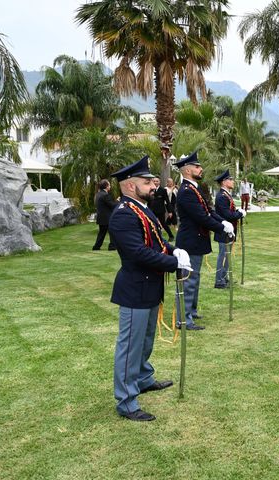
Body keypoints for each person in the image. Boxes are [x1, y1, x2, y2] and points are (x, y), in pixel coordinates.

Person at [108, 155, 192, 422]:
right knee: (130, 345)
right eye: (146, 182)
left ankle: (143, 378)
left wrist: (174, 250)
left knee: (144, 341)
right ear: (131, 186)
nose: (153, 184)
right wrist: (172, 263)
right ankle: (126, 401)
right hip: (135, 289)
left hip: (149, 287)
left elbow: (157, 241)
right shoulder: (123, 214)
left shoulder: (141, 208)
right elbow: (138, 253)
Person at [174, 152, 234, 329]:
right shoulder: (186, 191)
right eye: (197, 166)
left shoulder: (194, 188)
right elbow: (201, 217)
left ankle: (191, 312)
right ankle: (183, 319)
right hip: (190, 241)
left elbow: (209, 211)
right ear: (187, 170)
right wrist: (221, 227)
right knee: (188, 281)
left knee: (195, 279)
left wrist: (222, 221)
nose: (201, 169)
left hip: (197, 240)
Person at [214, 170, 246, 288]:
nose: (233, 182)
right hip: (224, 231)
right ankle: (219, 281)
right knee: (223, 256)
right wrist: (240, 214)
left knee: (226, 256)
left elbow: (230, 212)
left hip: (229, 232)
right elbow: (228, 215)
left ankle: (223, 277)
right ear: (224, 182)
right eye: (231, 179)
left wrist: (238, 212)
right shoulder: (222, 196)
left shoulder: (226, 195)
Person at [92, 179, 118, 251]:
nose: (110, 186)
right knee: (112, 231)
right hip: (107, 217)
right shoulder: (105, 195)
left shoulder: (98, 194)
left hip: (101, 217)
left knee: (102, 233)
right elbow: (112, 205)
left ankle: (96, 247)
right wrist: (118, 201)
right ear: (106, 186)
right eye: (109, 185)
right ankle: (112, 247)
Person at [148, 177, 174, 241]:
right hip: (151, 210)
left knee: (163, 223)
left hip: (160, 210)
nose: (155, 182)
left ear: (159, 182)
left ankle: (171, 236)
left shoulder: (163, 190)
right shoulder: (149, 189)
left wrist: (170, 211)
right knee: (151, 224)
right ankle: (155, 237)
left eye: (157, 181)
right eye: (154, 181)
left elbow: (167, 201)